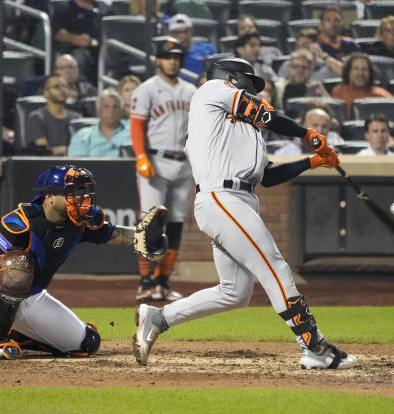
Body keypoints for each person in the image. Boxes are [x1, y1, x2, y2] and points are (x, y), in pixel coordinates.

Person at [132, 57, 358, 371]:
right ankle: (313, 346)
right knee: (274, 265)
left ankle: (158, 317)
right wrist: (308, 134)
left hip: (236, 200)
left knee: (234, 292)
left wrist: (313, 162)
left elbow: (268, 177)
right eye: (249, 83)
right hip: (221, 197)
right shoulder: (211, 90)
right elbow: (266, 114)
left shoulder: (242, 130)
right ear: (232, 78)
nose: (254, 91)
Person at [0, 165, 168, 359]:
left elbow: (116, 235)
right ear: (49, 196)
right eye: (70, 192)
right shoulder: (21, 221)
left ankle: (19, 334)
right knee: (18, 263)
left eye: (80, 191)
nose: (79, 197)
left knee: (88, 343)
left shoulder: (81, 220)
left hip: (31, 296)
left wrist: (143, 239)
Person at [130, 37, 196, 301]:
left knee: (177, 224)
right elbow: (137, 126)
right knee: (150, 222)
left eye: (176, 57)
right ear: (158, 60)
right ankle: (146, 282)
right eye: (167, 57)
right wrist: (141, 157)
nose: (172, 61)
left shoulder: (191, 91)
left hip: (184, 163)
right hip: (155, 162)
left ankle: (163, 282)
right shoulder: (146, 89)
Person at [52, 0, 109, 84]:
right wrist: (74, 39)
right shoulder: (64, 7)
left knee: (112, 58)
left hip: (101, 49)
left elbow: (112, 30)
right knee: (80, 57)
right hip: (73, 50)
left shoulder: (102, 7)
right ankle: (80, 89)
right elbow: (57, 34)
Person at [26, 74, 82, 155]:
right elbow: (44, 151)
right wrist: (71, 149)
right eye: (57, 86)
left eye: (64, 86)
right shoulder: (37, 118)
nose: (62, 90)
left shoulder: (77, 118)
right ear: (46, 93)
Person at [68, 89, 131, 157]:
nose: (111, 111)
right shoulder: (83, 136)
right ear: (99, 111)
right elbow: (77, 164)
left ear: (121, 111)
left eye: (115, 107)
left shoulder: (133, 132)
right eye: (106, 106)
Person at [331, 53, 394, 118]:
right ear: (348, 71)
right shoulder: (339, 92)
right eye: (356, 69)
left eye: (365, 69)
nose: (360, 73)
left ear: (370, 73)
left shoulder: (381, 95)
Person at [275, 103, 344, 154]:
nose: (320, 130)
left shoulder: (335, 153)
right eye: (315, 125)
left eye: (324, 126)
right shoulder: (287, 152)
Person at [278, 28, 343, 81]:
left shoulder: (326, 66)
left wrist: (322, 56)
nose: (301, 50)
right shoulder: (288, 66)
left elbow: (346, 74)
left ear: (316, 46)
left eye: (305, 46)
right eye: (298, 46)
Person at [167, 13, 216, 80]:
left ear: (192, 32)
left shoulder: (207, 49)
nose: (183, 36)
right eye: (177, 32)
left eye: (186, 31)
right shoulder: (166, 57)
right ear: (171, 35)